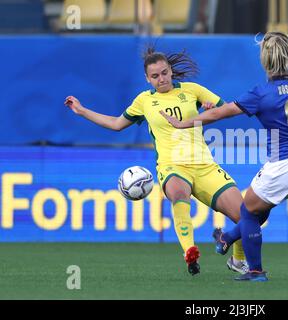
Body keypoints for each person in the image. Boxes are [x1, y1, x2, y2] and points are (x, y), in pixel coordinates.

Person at [160, 32, 288, 281]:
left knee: (247, 211)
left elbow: (220, 114)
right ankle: (228, 238)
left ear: (264, 61)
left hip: (284, 165)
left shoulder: (261, 93)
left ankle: (255, 270)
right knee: (260, 207)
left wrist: (183, 123)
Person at [64, 47, 249, 276]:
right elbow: (116, 124)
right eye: (155, 76)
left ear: (171, 71)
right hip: (172, 166)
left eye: (164, 73)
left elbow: (226, 109)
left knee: (245, 216)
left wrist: (212, 109)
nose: (161, 79)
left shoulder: (192, 90)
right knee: (179, 194)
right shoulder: (144, 101)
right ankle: (189, 250)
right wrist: (82, 111)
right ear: (147, 78)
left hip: (204, 165)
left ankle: (238, 261)